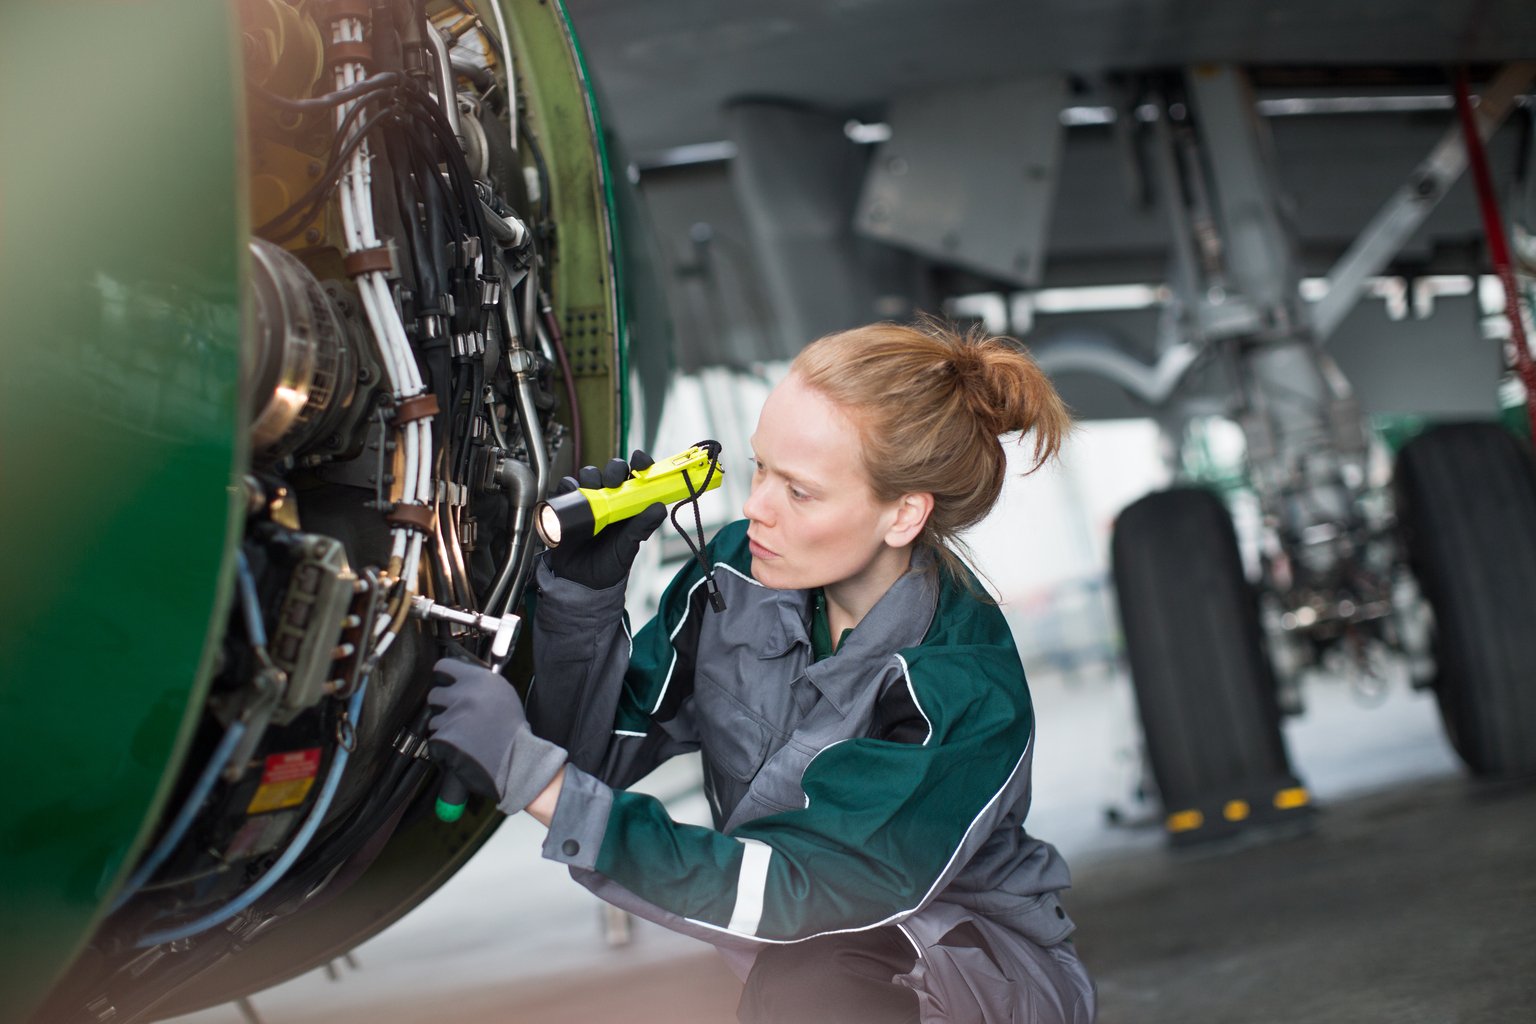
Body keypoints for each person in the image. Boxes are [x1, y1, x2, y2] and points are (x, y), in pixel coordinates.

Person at [426, 319, 1096, 1023]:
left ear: (903, 515)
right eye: (759, 467)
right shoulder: (737, 572)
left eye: (799, 492)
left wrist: (532, 778)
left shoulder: (956, 686)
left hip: (974, 979)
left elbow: (793, 893)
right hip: (806, 949)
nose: (755, 507)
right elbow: (591, 760)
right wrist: (580, 606)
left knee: (815, 986)